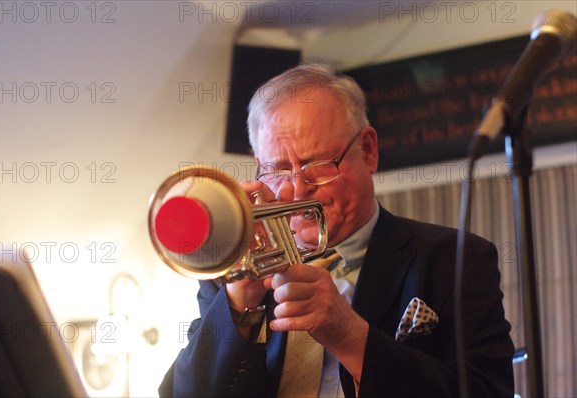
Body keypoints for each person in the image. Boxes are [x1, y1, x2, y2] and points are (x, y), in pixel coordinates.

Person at [159, 64, 514, 397]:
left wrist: (351, 337)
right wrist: (240, 308)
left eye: (317, 165)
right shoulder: (232, 273)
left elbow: (486, 392)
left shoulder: (457, 258)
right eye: (279, 169)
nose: (297, 190)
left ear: (369, 151)